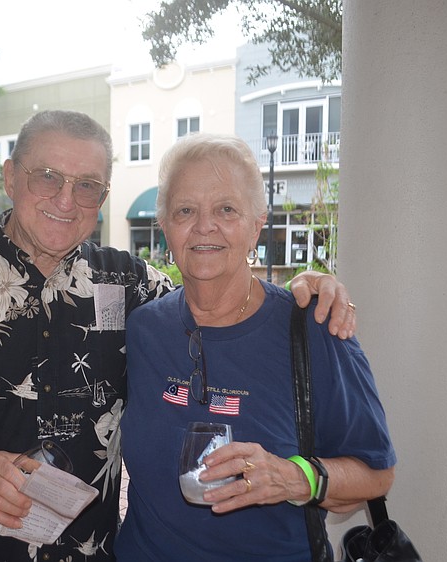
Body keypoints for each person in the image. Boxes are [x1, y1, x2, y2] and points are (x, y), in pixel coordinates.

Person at [0, 111, 358, 562]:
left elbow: (216, 299)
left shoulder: (131, 285)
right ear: (11, 177)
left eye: (87, 185)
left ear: (103, 195)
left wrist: (305, 289)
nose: (66, 200)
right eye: (47, 177)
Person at [116, 133, 396, 561]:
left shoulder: (312, 329)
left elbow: (376, 474)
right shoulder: (142, 327)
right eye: (185, 210)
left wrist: (293, 478)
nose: (204, 226)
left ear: (256, 226)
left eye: (226, 209)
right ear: (165, 227)